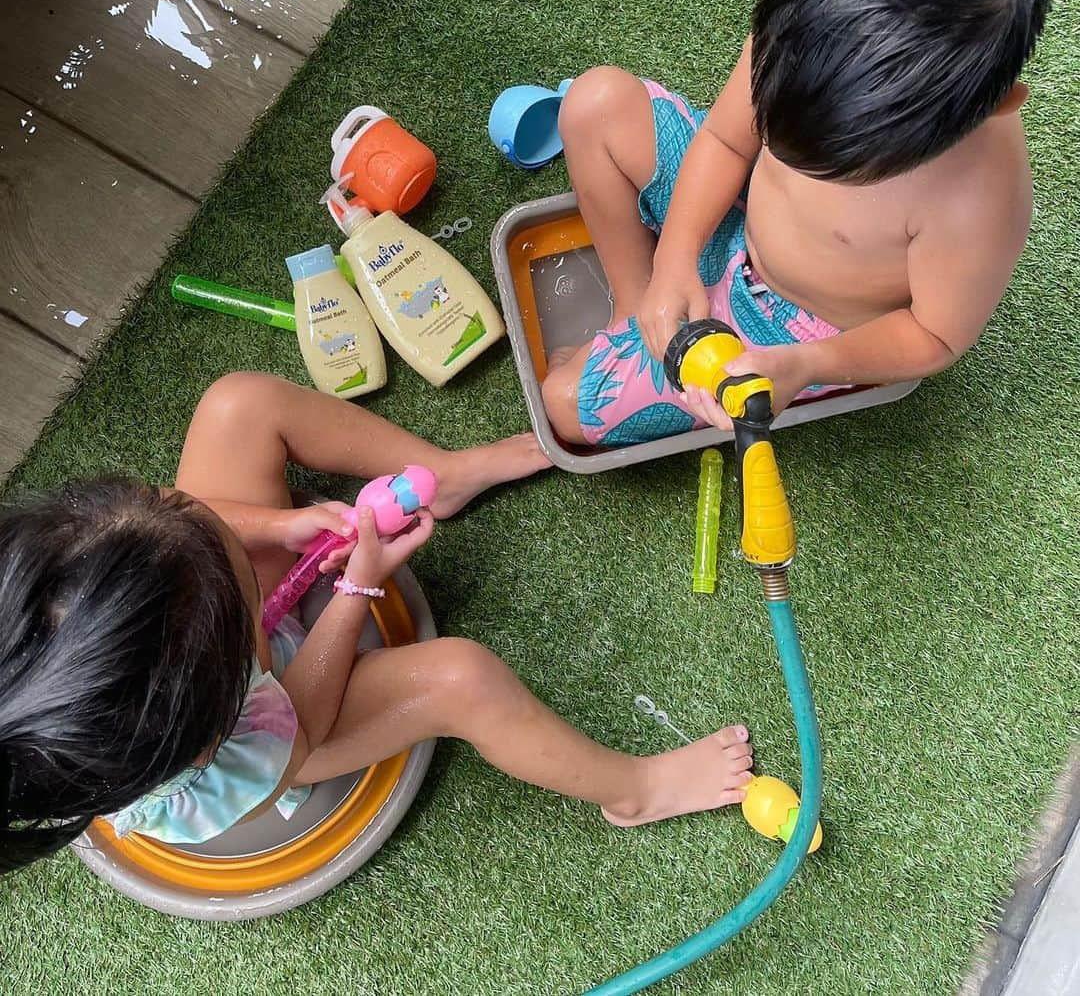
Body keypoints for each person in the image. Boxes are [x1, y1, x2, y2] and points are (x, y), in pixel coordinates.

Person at [0, 372, 753, 870]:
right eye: (244, 593)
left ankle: (449, 474)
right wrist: (356, 588)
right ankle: (632, 788)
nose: (209, 525)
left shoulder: (80, 577)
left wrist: (273, 526)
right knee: (464, 678)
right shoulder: (218, 753)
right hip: (286, 740)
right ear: (230, 675)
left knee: (238, 405)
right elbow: (302, 725)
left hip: (200, 670)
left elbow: (189, 514)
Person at [541, 0, 1053, 446]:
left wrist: (804, 367)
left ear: (993, 105)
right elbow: (728, 140)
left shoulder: (979, 197)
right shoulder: (806, 19)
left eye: (852, 164)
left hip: (791, 328)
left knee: (563, 406)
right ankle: (635, 307)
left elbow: (934, 336)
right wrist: (674, 260)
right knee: (593, 103)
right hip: (728, 214)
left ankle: (661, 326)